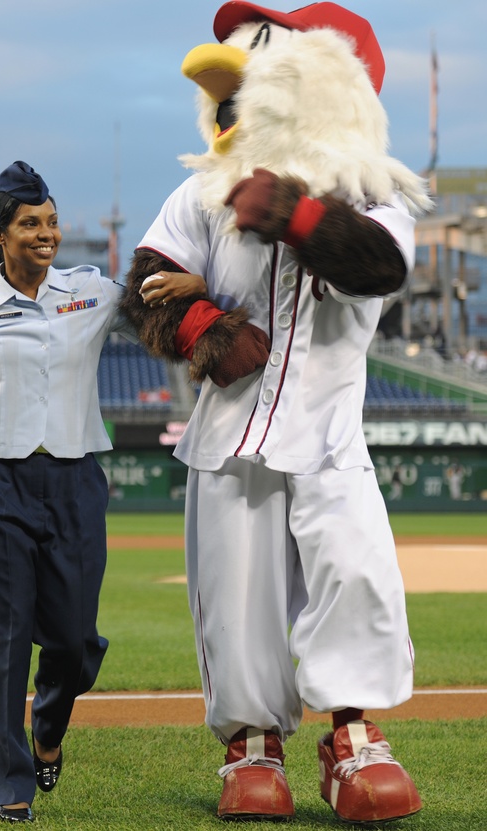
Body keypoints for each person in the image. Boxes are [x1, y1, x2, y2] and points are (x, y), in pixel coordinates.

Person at [118, 3, 430, 823]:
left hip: (330, 435)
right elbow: (144, 281)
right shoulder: (204, 191)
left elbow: (377, 265)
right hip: (229, 437)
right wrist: (203, 328)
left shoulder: (377, 191)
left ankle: (355, 737)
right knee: (237, 591)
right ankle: (251, 746)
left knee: (354, 579)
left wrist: (294, 214)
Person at [0, 161, 137, 824]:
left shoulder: (91, 292)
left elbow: (151, 305)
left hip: (74, 480)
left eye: (50, 221)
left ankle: (49, 725)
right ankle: (7, 780)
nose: (46, 233)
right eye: (30, 224)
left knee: (74, 640)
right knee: (0, 636)